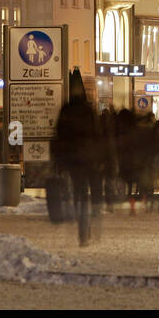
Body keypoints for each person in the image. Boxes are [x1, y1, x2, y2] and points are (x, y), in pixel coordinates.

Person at [52, 69, 101, 245]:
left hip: (73, 159)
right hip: (87, 158)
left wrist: (57, 160)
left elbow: (58, 135)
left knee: (79, 192)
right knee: (86, 193)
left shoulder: (66, 109)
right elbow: (98, 135)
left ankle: (82, 225)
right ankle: (85, 226)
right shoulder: (89, 111)